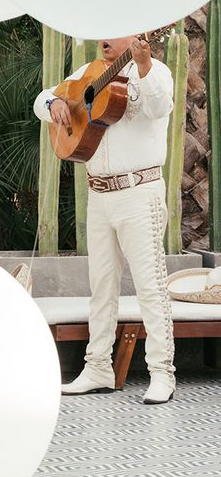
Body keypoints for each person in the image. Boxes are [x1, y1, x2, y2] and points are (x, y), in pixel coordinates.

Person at [34, 35, 175, 404]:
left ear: (138, 36)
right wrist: (54, 104)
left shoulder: (156, 72)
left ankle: (162, 373)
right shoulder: (89, 72)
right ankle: (97, 366)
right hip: (98, 194)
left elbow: (160, 106)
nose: (103, 39)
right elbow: (41, 98)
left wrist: (143, 66)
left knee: (150, 286)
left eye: (114, 32)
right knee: (101, 286)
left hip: (138, 192)